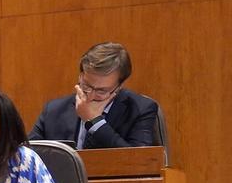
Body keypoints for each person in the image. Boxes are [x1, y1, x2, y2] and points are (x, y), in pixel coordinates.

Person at [29, 42, 158, 149]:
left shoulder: (141, 110)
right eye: (86, 86)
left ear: (119, 87)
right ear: (81, 75)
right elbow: (28, 156)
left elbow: (138, 162)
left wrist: (95, 122)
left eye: (101, 91)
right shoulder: (53, 110)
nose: (90, 96)